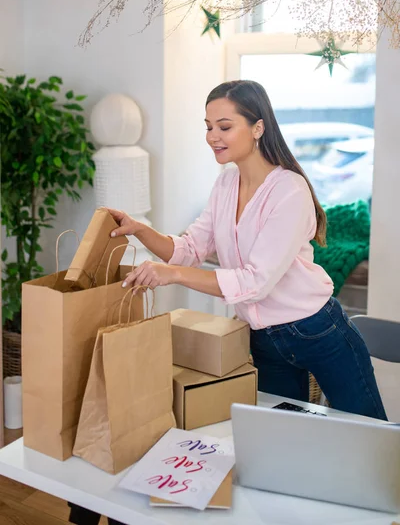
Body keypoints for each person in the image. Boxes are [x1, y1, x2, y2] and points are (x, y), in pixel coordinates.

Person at [109, 79, 386, 421]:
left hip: (318, 332)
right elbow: (189, 248)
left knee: (369, 437)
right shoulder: (226, 184)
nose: (213, 136)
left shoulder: (289, 190)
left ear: (258, 128)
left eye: (224, 126)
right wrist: (141, 231)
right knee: (282, 439)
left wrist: (174, 276)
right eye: (209, 127)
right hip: (263, 341)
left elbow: (255, 282)